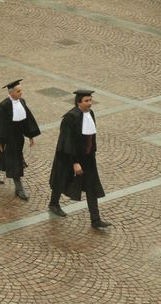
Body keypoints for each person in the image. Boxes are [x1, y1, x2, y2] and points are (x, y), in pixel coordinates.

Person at [48, 89, 111, 229]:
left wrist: (92, 153)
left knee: (91, 186)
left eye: (90, 100)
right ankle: (53, 203)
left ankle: (95, 220)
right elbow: (67, 141)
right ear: (78, 102)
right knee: (61, 180)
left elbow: (91, 136)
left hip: (88, 158)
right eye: (86, 101)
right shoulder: (70, 118)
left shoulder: (91, 114)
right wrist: (75, 162)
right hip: (68, 156)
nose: (90, 103)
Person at [0, 79, 41, 200]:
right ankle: (19, 189)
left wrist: (30, 136)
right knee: (15, 162)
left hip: (18, 137)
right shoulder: (4, 105)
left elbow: (27, 120)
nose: (21, 93)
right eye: (18, 91)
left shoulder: (22, 101)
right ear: (11, 93)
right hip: (7, 138)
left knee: (5, 156)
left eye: (21, 90)